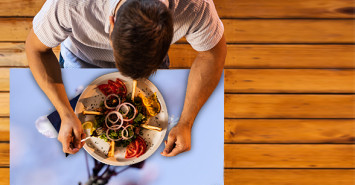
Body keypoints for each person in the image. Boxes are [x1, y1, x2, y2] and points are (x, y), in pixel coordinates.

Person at [26, 0, 227, 156]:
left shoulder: (195, 6)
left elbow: (213, 55)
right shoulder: (69, 5)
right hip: (81, 60)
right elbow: (35, 49)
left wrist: (186, 123)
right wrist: (64, 113)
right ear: (111, 24)